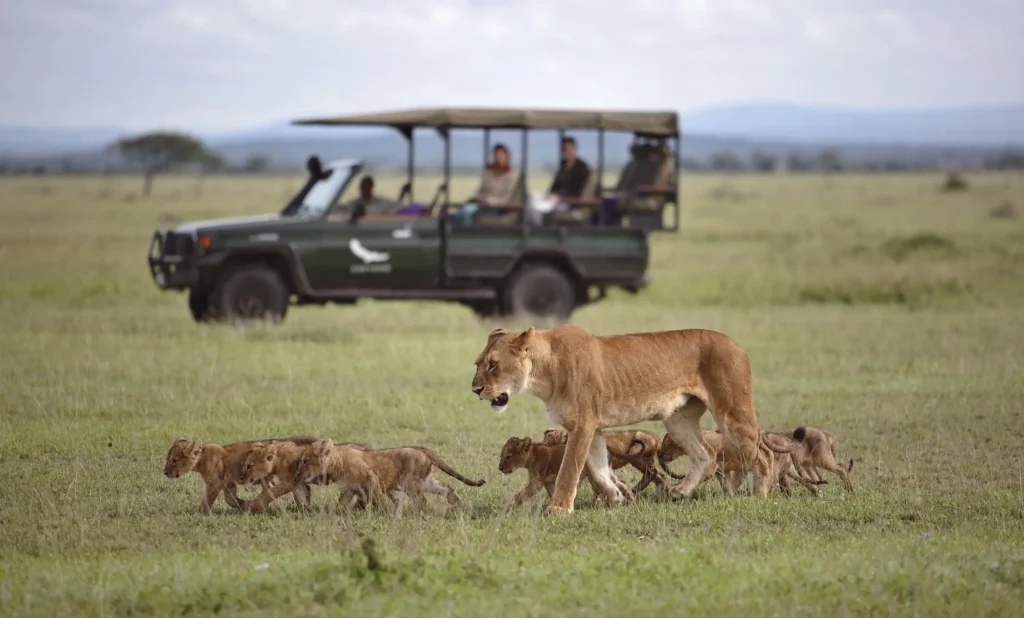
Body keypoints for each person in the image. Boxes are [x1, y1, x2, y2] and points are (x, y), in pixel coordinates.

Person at [454, 143, 520, 225]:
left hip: (499, 207)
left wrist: (490, 201)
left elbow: (508, 197)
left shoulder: (512, 175)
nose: (499, 158)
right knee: (462, 212)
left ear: (507, 157)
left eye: (501, 155)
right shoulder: (487, 173)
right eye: (496, 155)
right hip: (482, 203)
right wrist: (478, 198)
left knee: (469, 214)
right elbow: (481, 190)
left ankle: (468, 234)